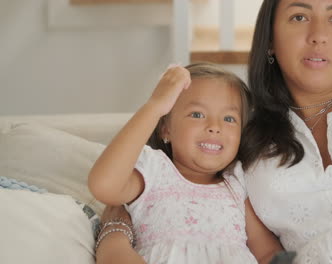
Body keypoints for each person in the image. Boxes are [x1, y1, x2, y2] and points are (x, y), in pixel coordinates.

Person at [96, 0, 332, 263]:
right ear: (270, 40)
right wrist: (114, 237)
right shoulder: (240, 135)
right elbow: (168, 190)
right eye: (299, 16)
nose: (319, 34)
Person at [88, 62, 284, 264]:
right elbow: (104, 185)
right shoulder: (154, 171)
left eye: (229, 118)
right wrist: (154, 106)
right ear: (165, 129)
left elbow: (266, 251)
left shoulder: (236, 183)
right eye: (197, 114)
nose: (214, 127)